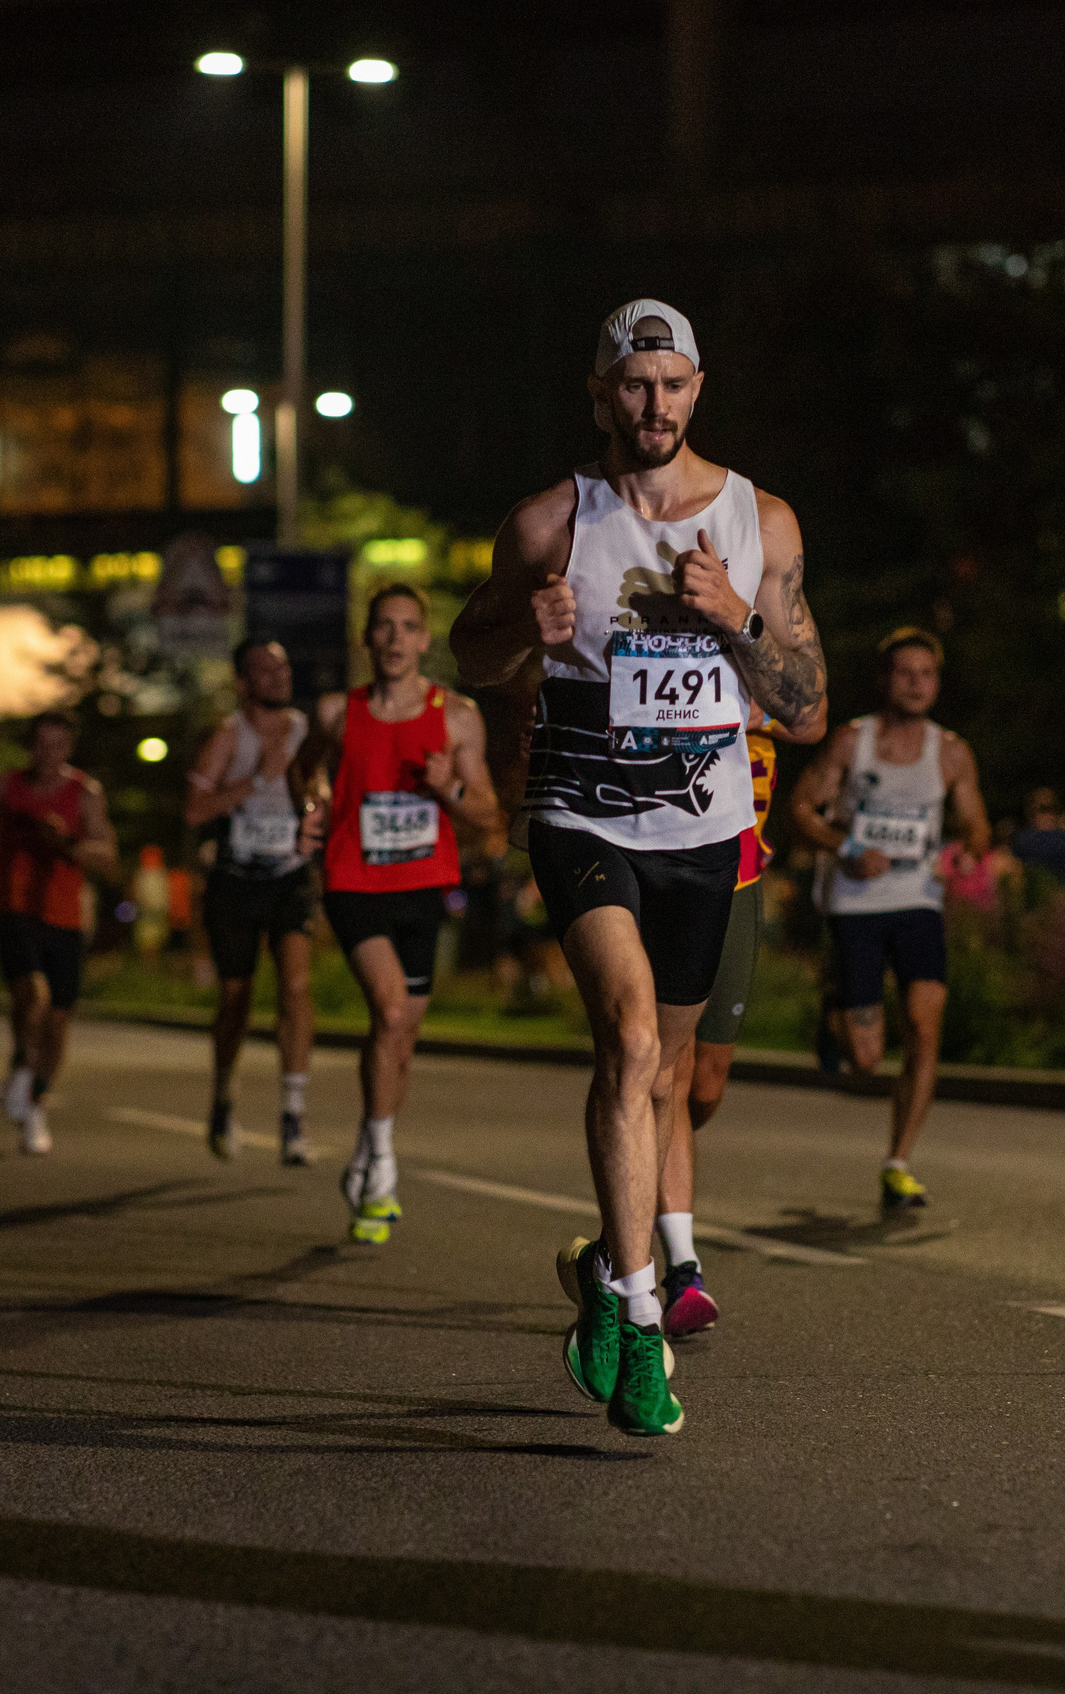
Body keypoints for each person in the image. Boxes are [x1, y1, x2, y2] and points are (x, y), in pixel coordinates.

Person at [450, 297, 825, 1438]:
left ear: (697, 388)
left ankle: (610, 1287)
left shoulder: (764, 522)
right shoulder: (551, 521)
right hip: (582, 814)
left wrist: (732, 623)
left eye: (671, 385)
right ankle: (639, 1313)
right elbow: (476, 653)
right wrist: (528, 619)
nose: (652, 406)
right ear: (600, 394)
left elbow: (804, 710)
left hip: (706, 832)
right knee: (628, 1038)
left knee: (664, 1080)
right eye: (631, 386)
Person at [298, 585, 499, 1244]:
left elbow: (488, 815)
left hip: (423, 886)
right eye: (382, 626)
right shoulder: (335, 712)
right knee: (388, 1011)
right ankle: (381, 1169)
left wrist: (450, 788)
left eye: (407, 627)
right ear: (367, 638)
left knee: (401, 1036)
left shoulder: (457, 716)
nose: (393, 638)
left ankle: (367, 1141)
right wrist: (312, 808)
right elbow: (304, 772)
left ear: (422, 640)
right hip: (354, 881)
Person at [791, 627, 989, 1213]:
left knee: (926, 1027)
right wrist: (843, 848)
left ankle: (898, 1162)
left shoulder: (951, 751)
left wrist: (969, 852)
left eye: (927, 674)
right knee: (866, 1061)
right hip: (855, 902)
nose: (916, 684)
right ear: (885, 680)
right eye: (905, 673)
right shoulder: (854, 741)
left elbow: (975, 823)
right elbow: (802, 807)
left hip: (918, 900)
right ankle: (836, 1006)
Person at [655, 706, 823, 1338]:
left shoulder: (756, 640)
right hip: (663, 860)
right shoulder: (658, 635)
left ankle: (645, 1159)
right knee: (666, 1068)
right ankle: (680, 1265)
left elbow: (811, 712)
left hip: (739, 873)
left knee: (704, 1087)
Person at [186, 637, 318, 1164]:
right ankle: (223, 1096)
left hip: (289, 876)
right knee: (235, 1000)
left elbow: (319, 789)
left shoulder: (307, 730)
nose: (277, 676)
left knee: (295, 985)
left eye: (282, 667)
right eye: (263, 670)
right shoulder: (228, 734)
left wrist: (315, 812)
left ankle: (293, 1114)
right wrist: (255, 781)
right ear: (243, 682)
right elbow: (195, 810)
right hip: (236, 882)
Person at [0, 712, 117, 1154]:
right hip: (14, 910)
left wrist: (69, 843)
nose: (49, 754)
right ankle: (22, 1074)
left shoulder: (85, 793)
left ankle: (34, 1096)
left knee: (58, 1021)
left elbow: (106, 854)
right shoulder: (6, 788)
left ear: (69, 748)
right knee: (32, 997)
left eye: (58, 745)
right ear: (30, 746)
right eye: (42, 744)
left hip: (63, 915)